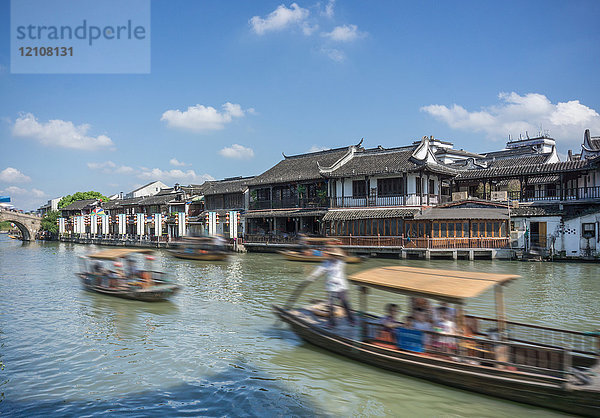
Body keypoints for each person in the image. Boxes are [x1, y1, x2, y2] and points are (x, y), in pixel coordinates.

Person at [307, 247, 355, 327]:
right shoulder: (326, 263)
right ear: (331, 255)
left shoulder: (340, 263)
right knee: (331, 306)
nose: (335, 257)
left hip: (341, 286)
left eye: (336, 256)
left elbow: (344, 258)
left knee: (345, 303)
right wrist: (311, 277)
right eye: (334, 256)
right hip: (331, 287)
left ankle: (351, 320)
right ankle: (332, 322)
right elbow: (319, 270)